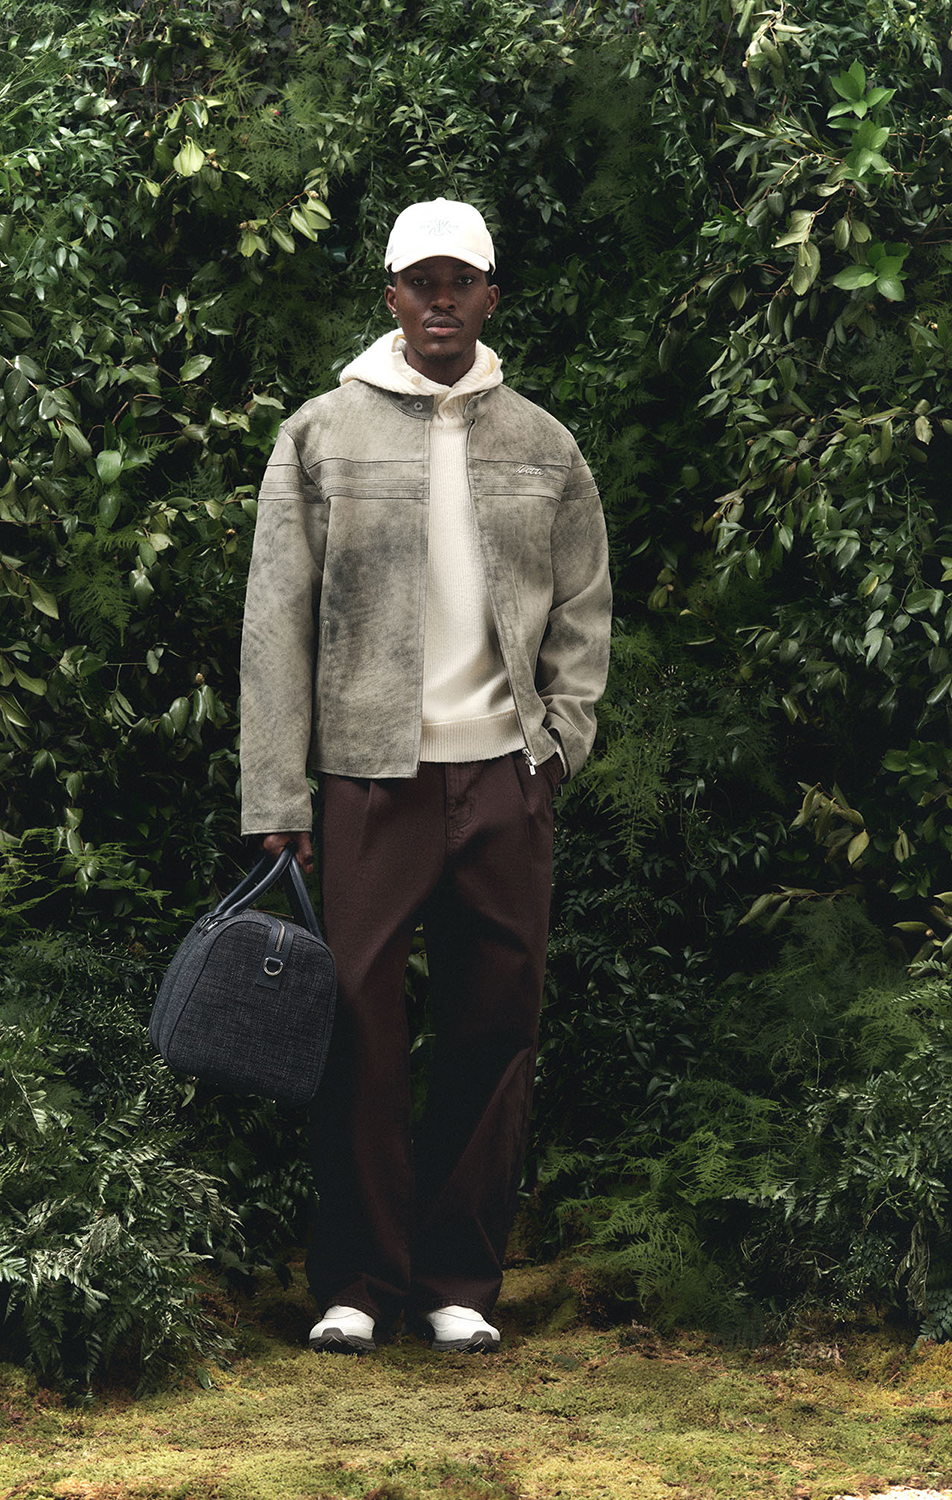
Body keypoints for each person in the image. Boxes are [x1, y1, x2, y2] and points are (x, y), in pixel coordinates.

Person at [239, 197, 611, 1352]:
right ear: (392, 296)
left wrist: (557, 745)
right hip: (368, 779)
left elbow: (584, 610)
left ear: (490, 296)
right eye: (422, 282)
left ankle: (457, 1284)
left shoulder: (544, 445)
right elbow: (274, 623)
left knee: (495, 1025)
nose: (441, 300)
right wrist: (278, 793)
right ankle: (359, 1282)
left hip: (503, 777)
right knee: (357, 1025)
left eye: (462, 282)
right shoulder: (320, 434)